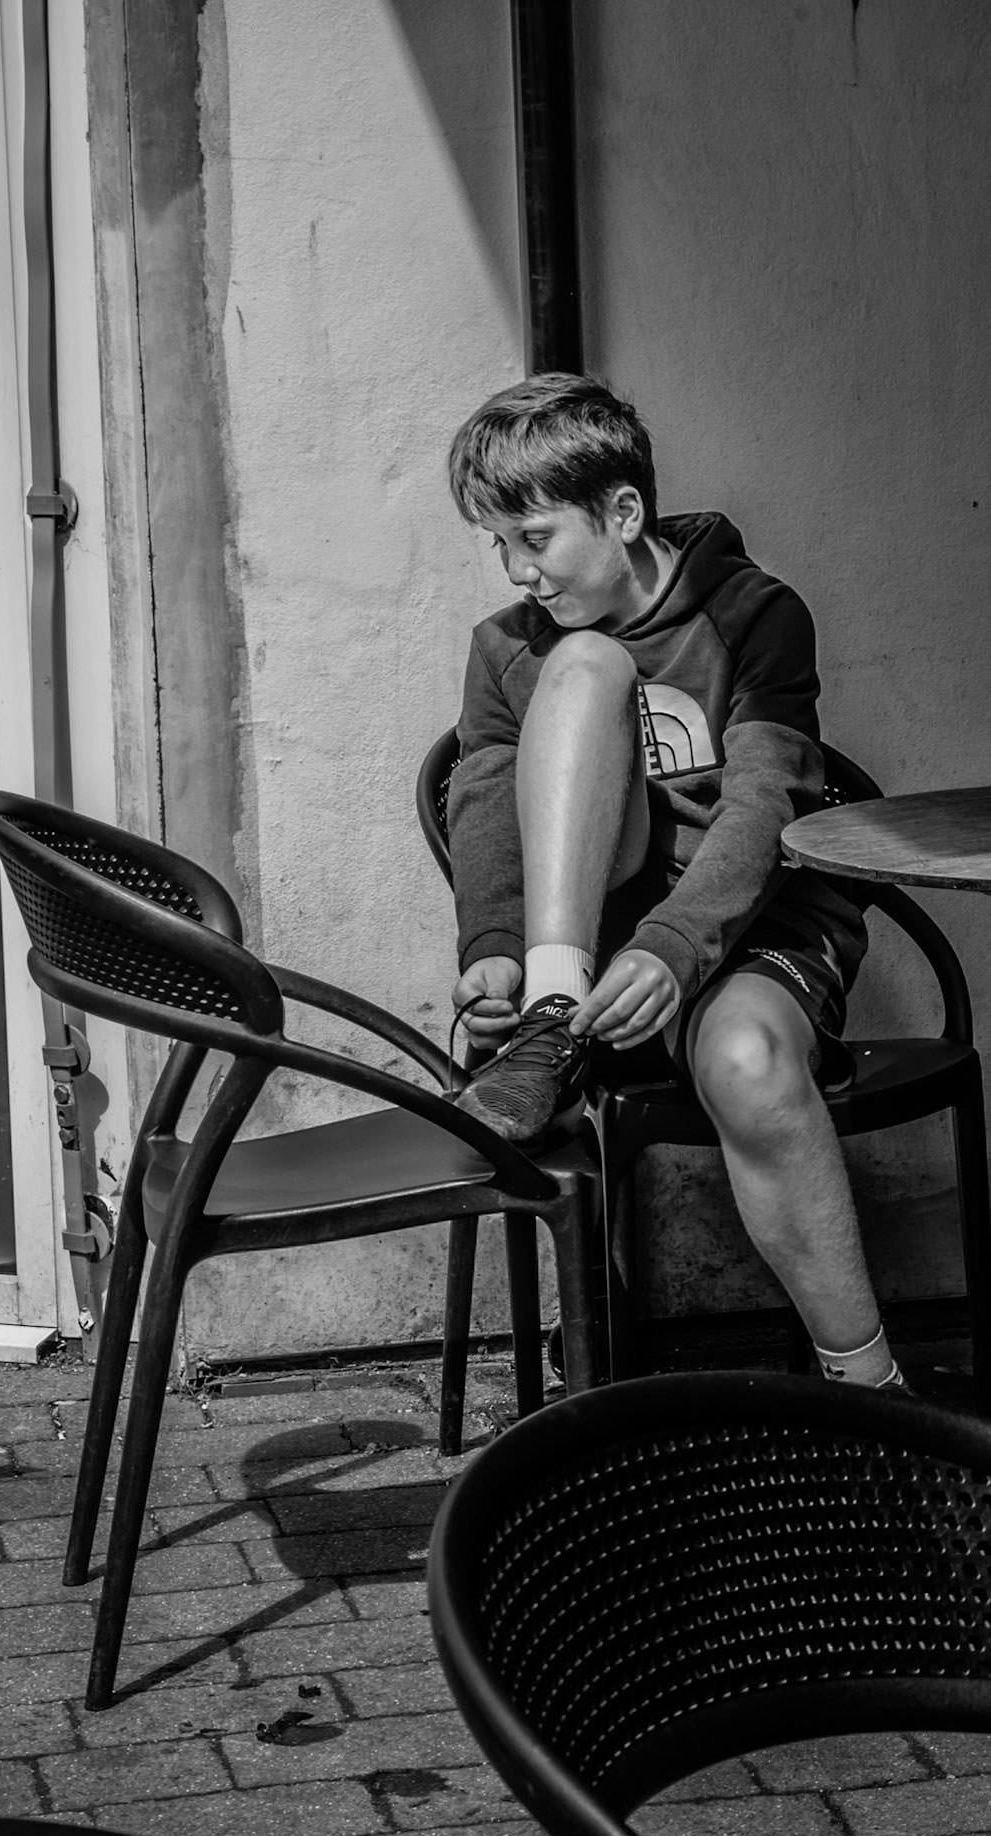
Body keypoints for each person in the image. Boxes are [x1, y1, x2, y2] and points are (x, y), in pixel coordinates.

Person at [445, 372, 904, 1392]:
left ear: (621, 512)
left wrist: (676, 942)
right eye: (500, 545)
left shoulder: (752, 614)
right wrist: (497, 957)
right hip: (594, 956)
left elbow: (768, 801)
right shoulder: (507, 651)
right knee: (587, 666)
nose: (520, 571)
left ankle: (872, 1390)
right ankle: (549, 1017)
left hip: (745, 928)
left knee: (747, 1057)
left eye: (537, 537)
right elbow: (482, 809)